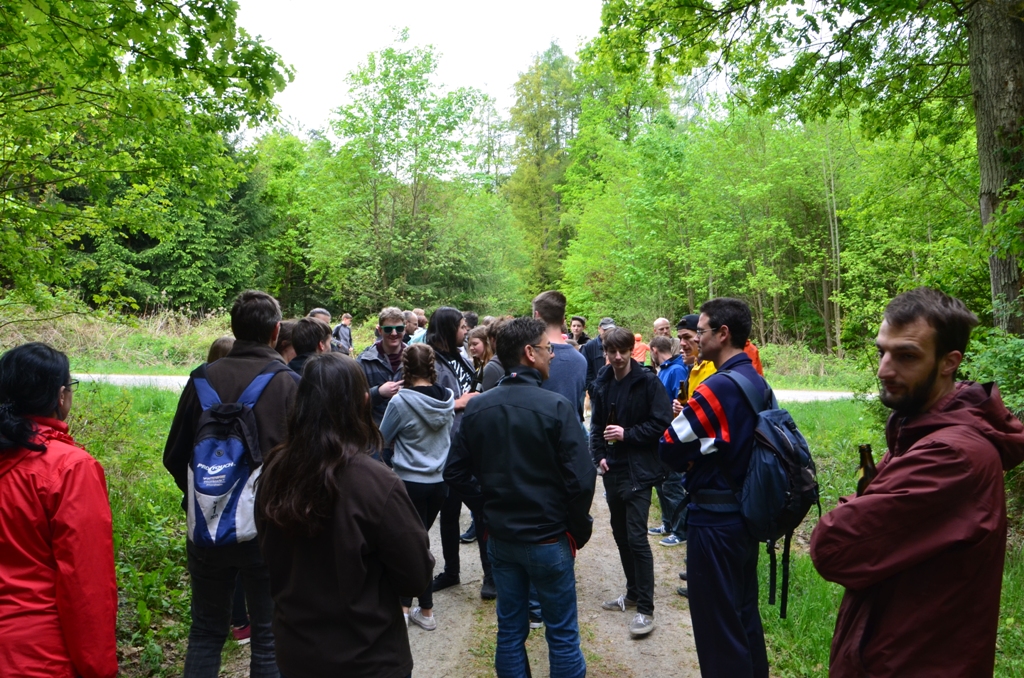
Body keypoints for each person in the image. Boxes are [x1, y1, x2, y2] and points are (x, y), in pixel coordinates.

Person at [810, 287, 1024, 677]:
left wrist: (858, 504)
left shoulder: (951, 456)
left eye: (906, 356)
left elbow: (832, 547)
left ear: (949, 362)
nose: (884, 370)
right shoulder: (921, 432)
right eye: (882, 352)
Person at [255, 353, 434, 678]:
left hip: (296, 652)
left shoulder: (274, 471)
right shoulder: (377, 483)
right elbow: (416, 575)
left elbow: (268, 552)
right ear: (363, 402)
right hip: (368, 656)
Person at [445, 316, 597, 678]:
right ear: (529, 353)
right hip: (547, 537)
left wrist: (487, 506)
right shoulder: (557, 407)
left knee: (510, 631)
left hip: (503, 537)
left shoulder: (479, 406)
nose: (552, 355)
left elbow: (455, 472)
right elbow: (582, 479)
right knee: (562, 634)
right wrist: (575, 526)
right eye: (547, 348)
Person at [164, 289, 299, 678]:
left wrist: (210, 499)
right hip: (268, 530)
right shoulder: (288, 384)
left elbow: (174, 456)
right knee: (268, 636)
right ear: (276, 331)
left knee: (206, 632)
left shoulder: (201, 379)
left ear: (233, 328)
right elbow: (302, 463)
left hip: (206, 529)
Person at [660, 298, 769, 678]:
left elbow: (669, 446)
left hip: (713, 521)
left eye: (701, 331)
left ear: (723, 334)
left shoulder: (717, 386)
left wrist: (696, 454)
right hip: (745, 516)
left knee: (717, 628)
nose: (694, 339)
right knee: (743, 617)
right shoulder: (755, 380)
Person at [0, 343, 118, 678]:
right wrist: (99, 669)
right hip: (39, 655)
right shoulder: (69, 468)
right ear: (61, 396)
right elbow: (86, 583)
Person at [591, 327, 674, 637]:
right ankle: (633, 593)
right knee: (621, 535)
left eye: (622, 351)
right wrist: (599, 456)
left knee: (637, 538)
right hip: (612, 469)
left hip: (639, 470)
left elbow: (662, 423)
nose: (617, 357)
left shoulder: (648, 382)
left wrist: (628, 434)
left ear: (631, 351)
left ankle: (646, 610)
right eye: (612, 351)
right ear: (605, 352)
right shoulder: (603, 382)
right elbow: (596, 425)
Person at [378, 343, 455, 632]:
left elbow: (382, 438)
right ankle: (422, 610)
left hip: (409, 482)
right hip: (439, 483)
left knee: (410, 546)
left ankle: (410, 609)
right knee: (420, 542)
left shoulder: (401, 402)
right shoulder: (447, 399)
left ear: (406, 368)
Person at [428, 307, 492, 596]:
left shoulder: (462, 358)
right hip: (447, 449)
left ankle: (491, 575)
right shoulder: (430, 360)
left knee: (481, 511)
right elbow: (422, 402)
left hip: (472, 445)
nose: (466, 332)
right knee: (449, 512)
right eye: (462, 327)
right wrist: (458, 403)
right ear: (447, 328)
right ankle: (451, 571)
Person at [647, 334, 689, 547]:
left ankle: (681, 531)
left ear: (654, 350)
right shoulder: (663, 369)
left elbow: (680, 402)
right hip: (660, 436)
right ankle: (668, 523)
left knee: (672, 484)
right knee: (661, 483)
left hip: (673, 436)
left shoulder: (677, 370)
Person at [534, 290, 588, 421]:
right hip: (571, 429)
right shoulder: (580, 359)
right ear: (563, 320)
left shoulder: (532, 356)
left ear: (536, 316)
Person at [357, 306, 407, 426]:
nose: (394, 333)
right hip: (375, 430)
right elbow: (353, 399)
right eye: (388, 329)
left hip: (407, 431)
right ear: (380, 330)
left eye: (399, 329)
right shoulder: (364, 360)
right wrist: (378, 393)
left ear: (404, 330)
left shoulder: (416, 357)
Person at [582, 317, 616, 398]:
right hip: (596, 391)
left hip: (615, 390)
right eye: (605, 330)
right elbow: (586, 369)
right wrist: (592, 388)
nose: (608, 332)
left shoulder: (618, 344)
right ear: (599, 329)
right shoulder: (589, 346)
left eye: (611, 330)